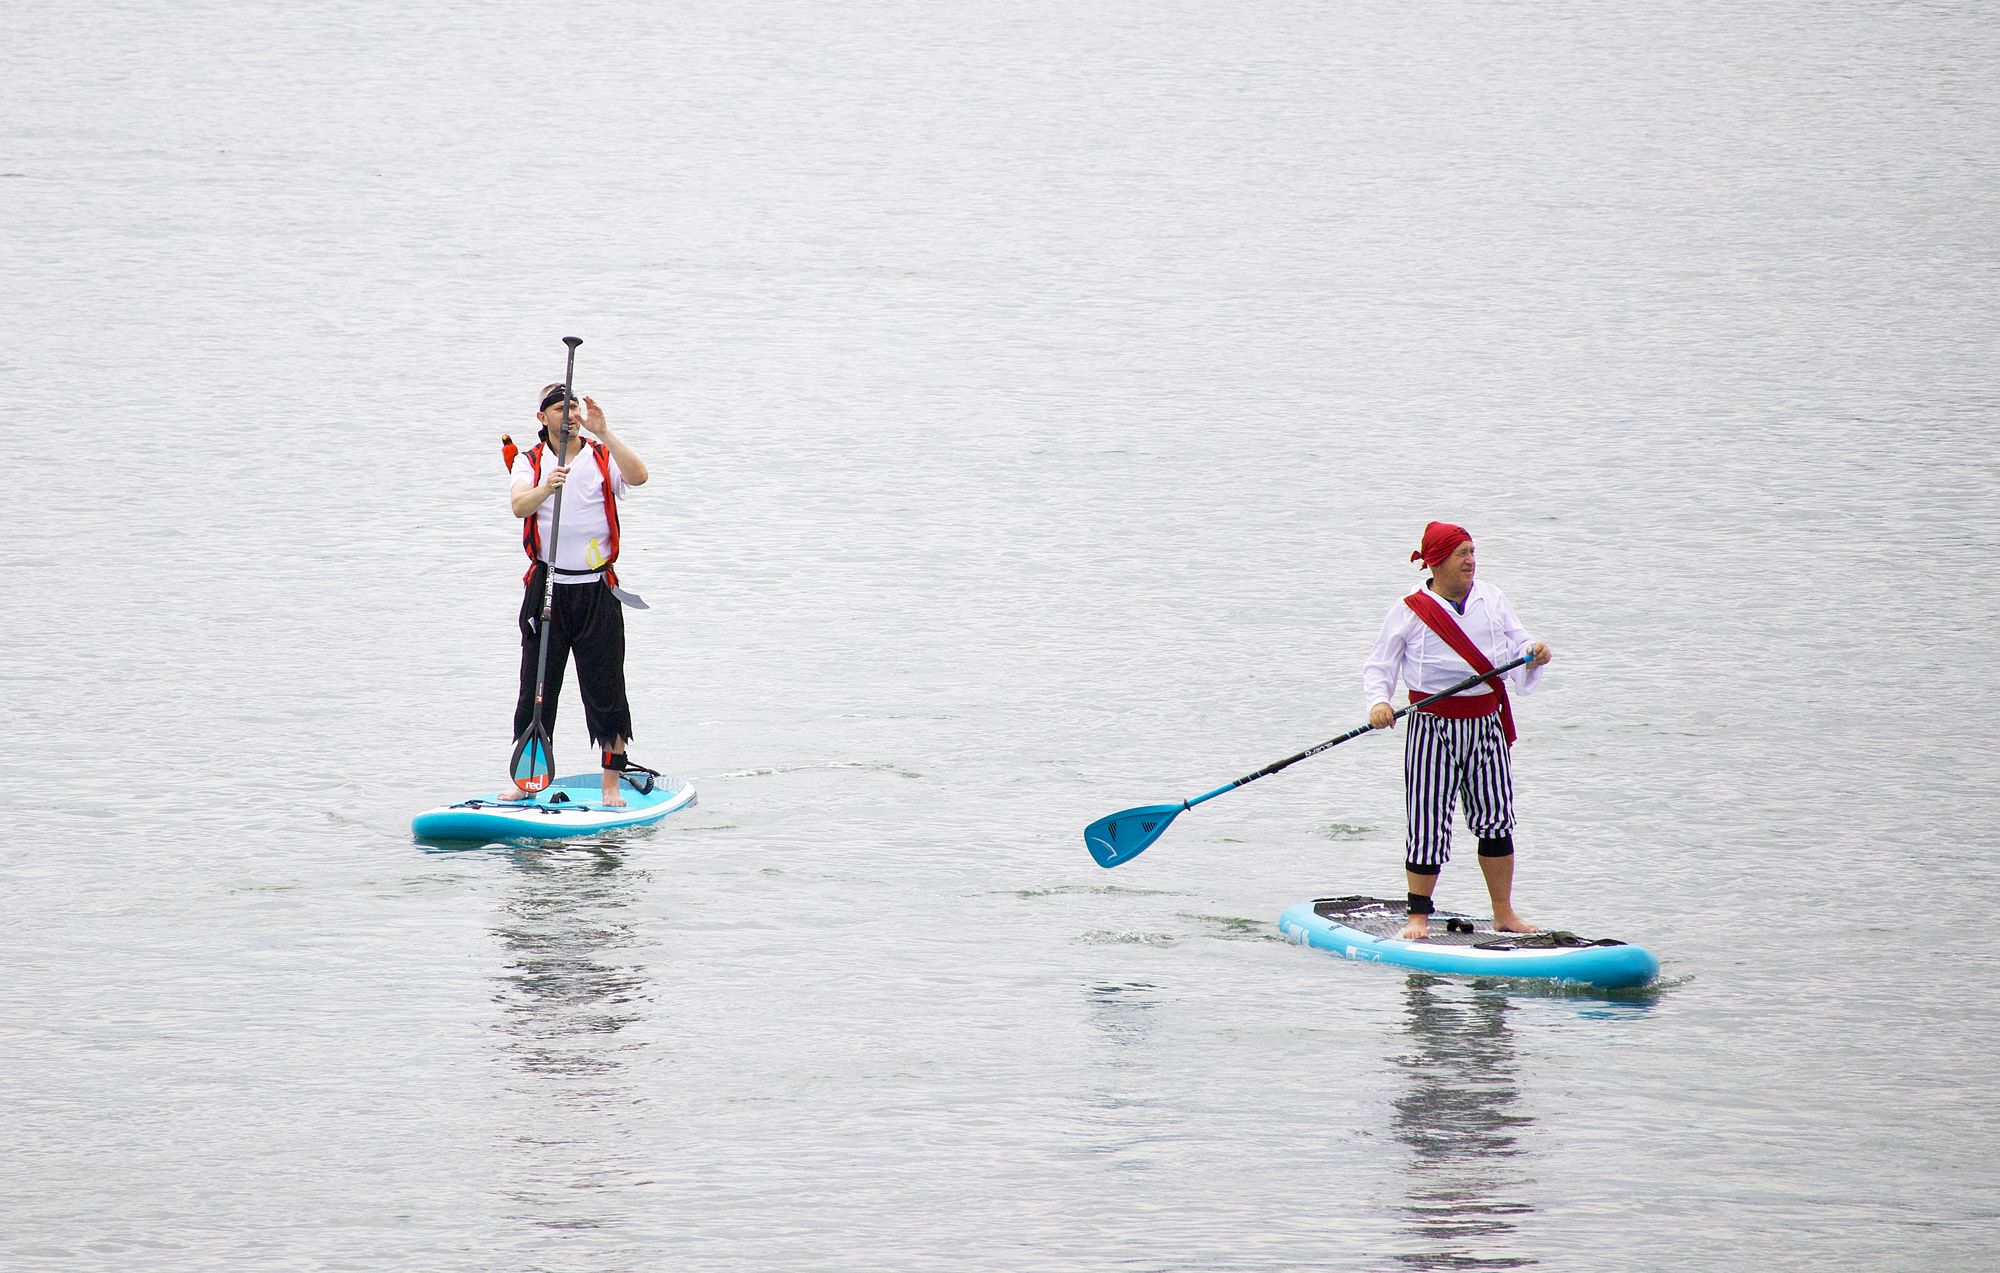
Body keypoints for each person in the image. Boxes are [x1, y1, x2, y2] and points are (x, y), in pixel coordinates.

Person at [1362, 522, 1551, 940]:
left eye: (1472, 551)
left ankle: (1504, 913)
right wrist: (1379, 703)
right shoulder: (1410, 608)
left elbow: (1520, 643)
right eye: (1462, 553)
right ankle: (1418, 918)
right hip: (1433, 726)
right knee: (1428, 821)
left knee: (1497, 819)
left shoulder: (1493, 598)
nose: (1471, 560)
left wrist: (1534, 652)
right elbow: (1380, 666)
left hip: (1487, 723)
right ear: (1437, 561)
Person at [502, 383, 651, 806]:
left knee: (606, 688)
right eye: (558, 408)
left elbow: (640, 477)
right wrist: (547, 487)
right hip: (547, 589)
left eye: (573, 408)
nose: (568, 414)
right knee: (537, 686)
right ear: (542, 418)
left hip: (597, 591)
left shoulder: (601, 456)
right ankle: (527, 780)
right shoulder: (530, 463)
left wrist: (605, 432)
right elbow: (519, 507)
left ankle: (610, 783)